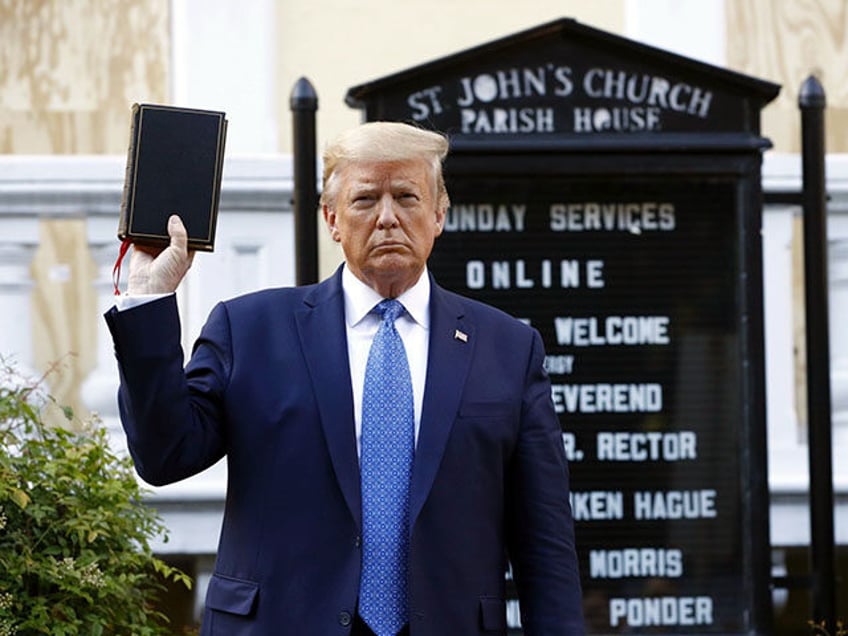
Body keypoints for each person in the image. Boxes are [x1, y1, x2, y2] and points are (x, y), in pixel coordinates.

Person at [105, 121, 584, 635]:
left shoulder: (507, 348)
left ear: (439, 214)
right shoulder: (250, 331)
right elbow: (163, 456)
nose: (387, 218)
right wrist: (150, 301)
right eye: (365, 200)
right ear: (332, 219)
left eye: (406, 197)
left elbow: (545, 544)